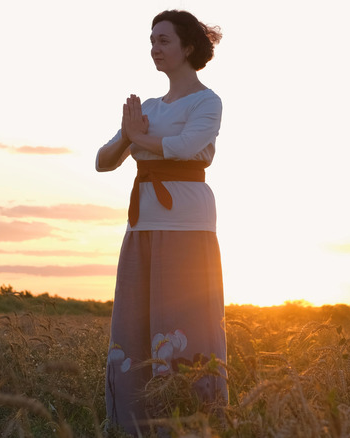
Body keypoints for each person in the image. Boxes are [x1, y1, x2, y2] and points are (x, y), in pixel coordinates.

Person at [95, 9, 226, 435]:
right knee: (134, 324)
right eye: (152, 40)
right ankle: (133, 423)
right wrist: (129, 135)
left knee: (187, 320)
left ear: (188, 47)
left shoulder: (207, 101)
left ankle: (194, 421)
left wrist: (138, 138)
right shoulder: (146, 109)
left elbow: (186, 146)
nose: (155, 47)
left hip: (188, 226)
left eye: (164, 40)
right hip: (142, 225)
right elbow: (103, 161)